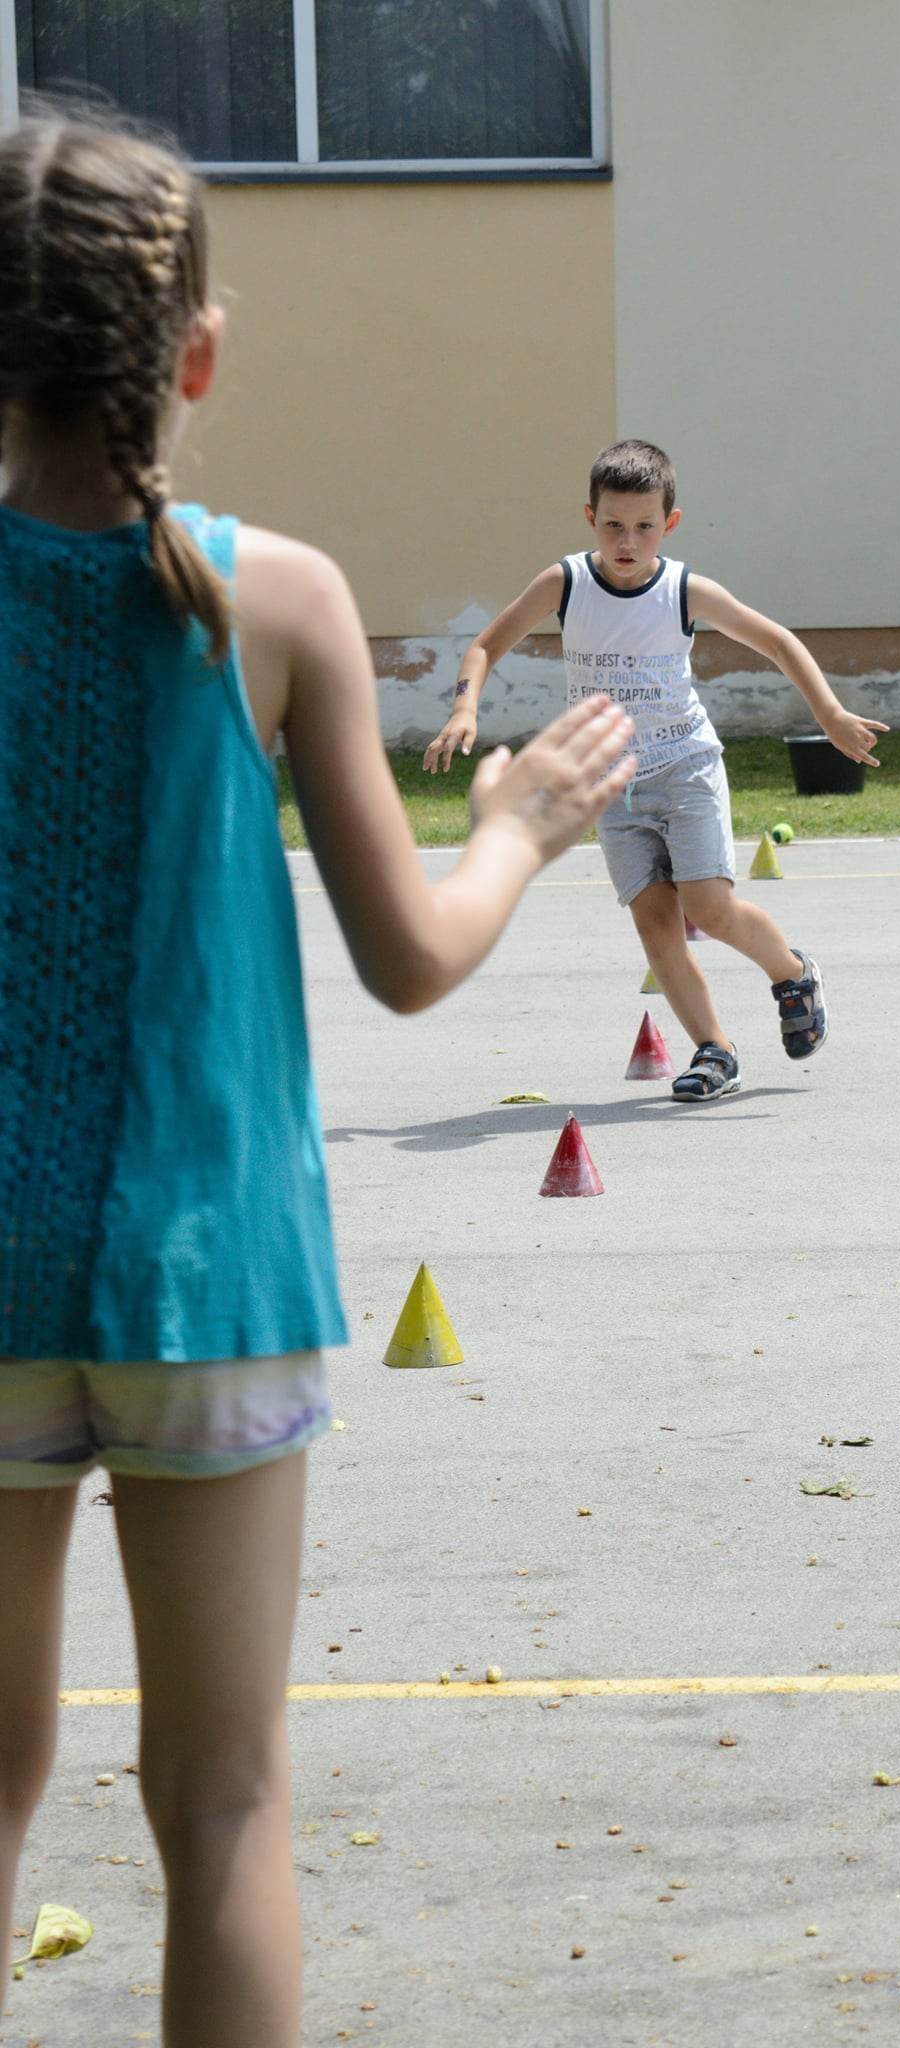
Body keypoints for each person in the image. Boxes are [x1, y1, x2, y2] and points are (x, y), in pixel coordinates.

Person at [0, 111, 635, 2048]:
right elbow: (411, 957)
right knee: (225, 1804)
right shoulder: (274, 600)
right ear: (194, 356)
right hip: (209, 1271)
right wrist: (516, 827)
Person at [423, 439, 887, 1099]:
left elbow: (778, 642)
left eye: (644, 526)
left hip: (684, 766)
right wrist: (464, 709)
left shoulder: (683, 591)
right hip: (610, 782)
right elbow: (485, 644)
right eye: (613, 524)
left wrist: (832, 713)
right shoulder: (565, 583)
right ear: (590, 517)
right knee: (654, 922)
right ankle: (714, 1051)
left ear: (670, 523)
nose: (627, 541)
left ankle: (791, 974)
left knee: (710, 908)